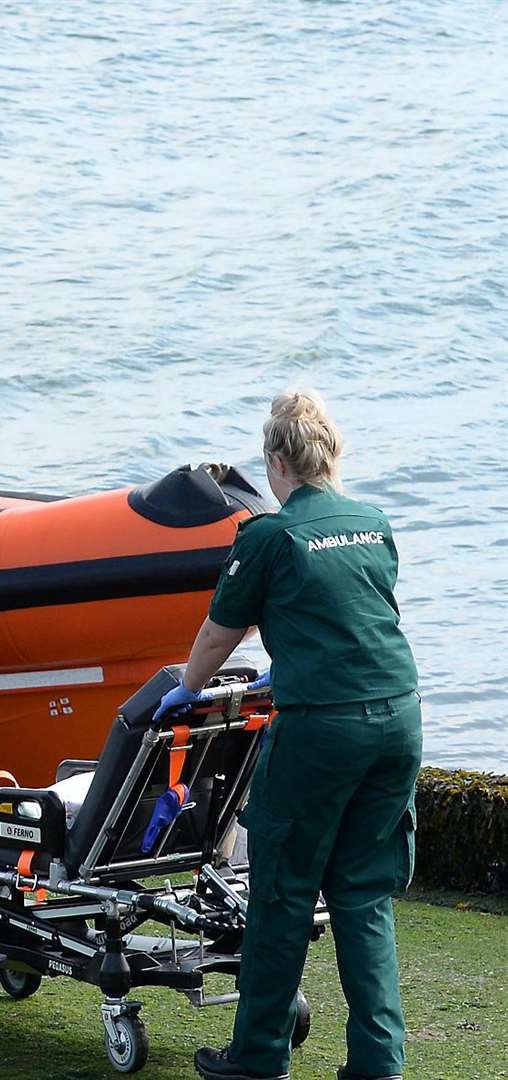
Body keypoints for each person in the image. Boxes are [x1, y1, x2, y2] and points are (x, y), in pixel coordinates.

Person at [163, 392, 419, 1080]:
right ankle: (379, 1065)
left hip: (322, 729)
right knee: (363, 892)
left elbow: (221, 632)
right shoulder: (372, 522)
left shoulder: (270, 535)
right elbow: (358, 617)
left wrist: (183, 689)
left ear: (278, 460)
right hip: (398, 717)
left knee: (282, 891)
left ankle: (258, 1056)